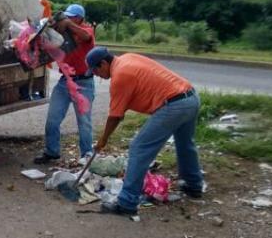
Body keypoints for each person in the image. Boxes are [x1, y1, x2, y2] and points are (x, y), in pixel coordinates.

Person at [86, 47, 204, 216]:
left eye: (95, 70)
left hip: (173, 105)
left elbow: (115, 116)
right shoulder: (128, 58)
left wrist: (103, 139)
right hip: (190, 97)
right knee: (185, 143)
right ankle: (194, 185)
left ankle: (126, 203)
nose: (96, 75)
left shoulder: (120, 76)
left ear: (104, 63)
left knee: (139, 148)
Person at [34, 3, 96, 165]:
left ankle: (86, 156)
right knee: (52, 119)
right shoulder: (61, 34)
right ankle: (52, 151)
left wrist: (68, 24)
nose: (67, 19)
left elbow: (86, 37)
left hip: (84, 82)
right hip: (65, 82)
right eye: (66, 17)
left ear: (79, 18)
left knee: (84, 123)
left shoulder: (86, 30)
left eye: (71, 17)